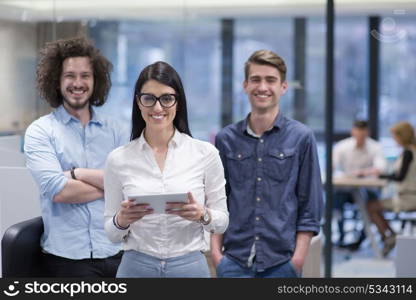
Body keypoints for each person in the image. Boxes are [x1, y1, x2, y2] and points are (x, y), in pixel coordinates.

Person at [103, 61, 229, 278]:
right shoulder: (118, 159)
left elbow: (222, 222)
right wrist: (121, 219)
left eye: (167, 98)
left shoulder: (205, 154)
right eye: (149, 98)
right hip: (135, 267)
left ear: (178, 102)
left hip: (189, 267)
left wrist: (203, 215)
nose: (158, 108)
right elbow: (112, 234)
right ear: (138, 103)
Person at [211, 50, 323, 278]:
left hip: (282, 263)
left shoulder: (301, 137)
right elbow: (217, 200)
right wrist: (217, 256)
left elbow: (310, 205)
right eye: (256, 79)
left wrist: (297, 260)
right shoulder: (226, 139)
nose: (262, 87)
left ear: (283, 87)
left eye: (270, 80)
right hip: (233, 262)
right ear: (245, 85)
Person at [24, 36, 127, 277]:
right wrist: (112, 186)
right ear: (56, 81)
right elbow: (59, 191)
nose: (77, 83)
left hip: (119, 252)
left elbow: (132, 184)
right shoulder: (41, 131)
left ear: (96, 80)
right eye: (70, 75)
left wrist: (76, 174)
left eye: (85, 76)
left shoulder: (117, 130)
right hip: (68, 260)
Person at [332, 120, 394, 251]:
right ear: (353, 132)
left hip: (367, 188)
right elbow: (332, 166)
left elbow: (380, 168)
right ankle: (340, 237)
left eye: (363, 135)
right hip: (346, 189)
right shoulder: (342, 146)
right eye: (357, 135)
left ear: (367, 133)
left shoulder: (375, 147)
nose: (360, 138)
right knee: (335, 202)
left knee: (371, 204)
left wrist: (362, 173)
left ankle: (361, 239)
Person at [368, 122, 416, 255]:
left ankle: (388, 236)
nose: (394, 139)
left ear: (402, 136)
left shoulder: (408, 153)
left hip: (408, 198)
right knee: (373, 205)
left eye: (395, 136)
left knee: (371, 206)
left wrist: (380, 175)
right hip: (407, 195)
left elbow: (400, 176)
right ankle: (391, 235)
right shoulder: (410, 151)